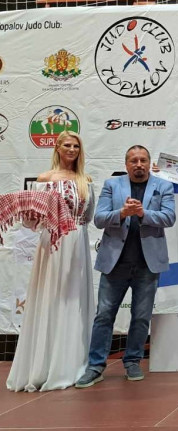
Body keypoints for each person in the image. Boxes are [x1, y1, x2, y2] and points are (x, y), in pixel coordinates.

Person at [75, 145, 175, 388]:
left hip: (147, 264)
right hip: (114, 263)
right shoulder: (113, 184)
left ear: (149, 163)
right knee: (104, 315)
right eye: (133, 160)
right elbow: (99, 219)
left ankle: (132, 362)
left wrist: (142, 213)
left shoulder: (164, 186)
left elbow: (169, 217)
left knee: (141, 317)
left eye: (143, 160)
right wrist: (121, 213)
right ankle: (95, 366)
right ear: (126, 164)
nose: (138, 164)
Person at [7, 131, 95, 392]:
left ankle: (74, 363)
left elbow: (88, 216)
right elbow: (30, 223)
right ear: (57, 148)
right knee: (52, 297)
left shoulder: (86, 180)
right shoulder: (44, 179)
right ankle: (45, 365)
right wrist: (30, 214)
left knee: (75, 300)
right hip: (52, 244)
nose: (72, 149)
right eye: (67, 145)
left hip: (78, 242)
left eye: (76, 146)